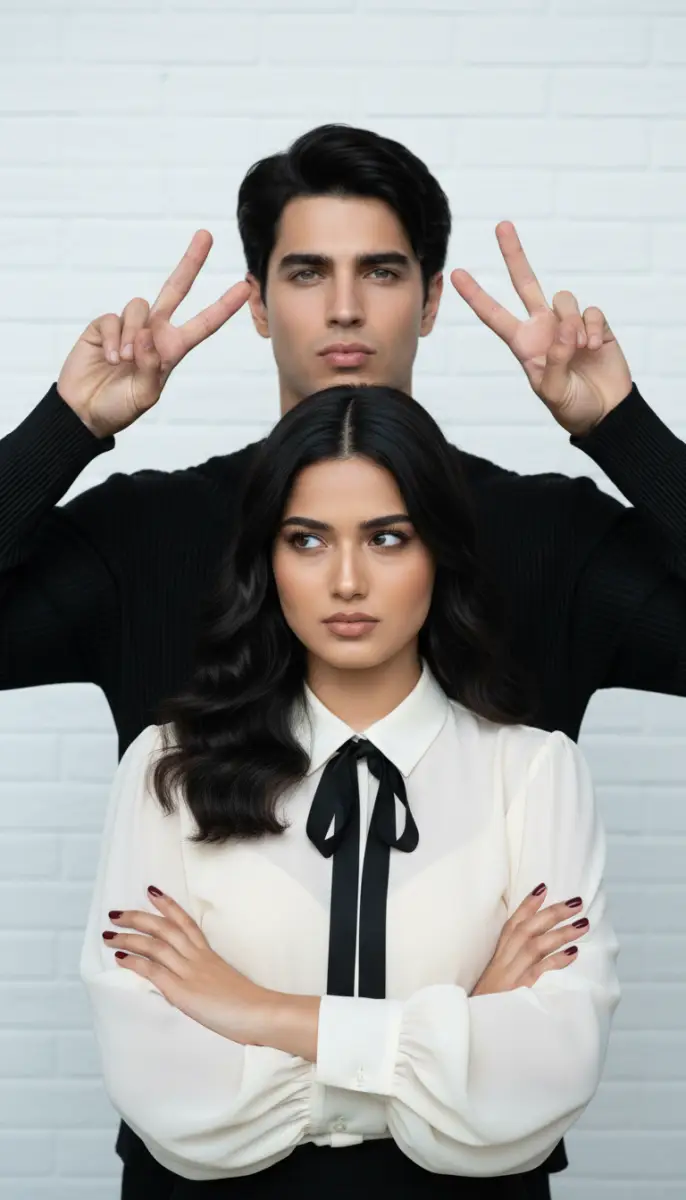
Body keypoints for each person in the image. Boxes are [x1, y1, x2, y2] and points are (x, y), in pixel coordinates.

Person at [0, 122, 684, 1196]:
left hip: (480, 1174)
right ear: (260, 303)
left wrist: (622, 430)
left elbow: (548, 1038)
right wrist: (64, 428)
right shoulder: (148, 532)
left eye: (381, 271)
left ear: (430, 299)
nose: (347, 310)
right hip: (203, 1171)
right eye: (307, 273)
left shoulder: (544, 535)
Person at [80, 385, 620, 1198]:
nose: (346, 581)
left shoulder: (535, 772)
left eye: (388, 538)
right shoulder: (168, 770)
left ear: (440, 550)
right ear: (267, 557)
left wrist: (253, 1011)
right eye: (306, 540)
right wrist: (457, 1036)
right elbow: (164, 1091)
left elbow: (551, 1072)